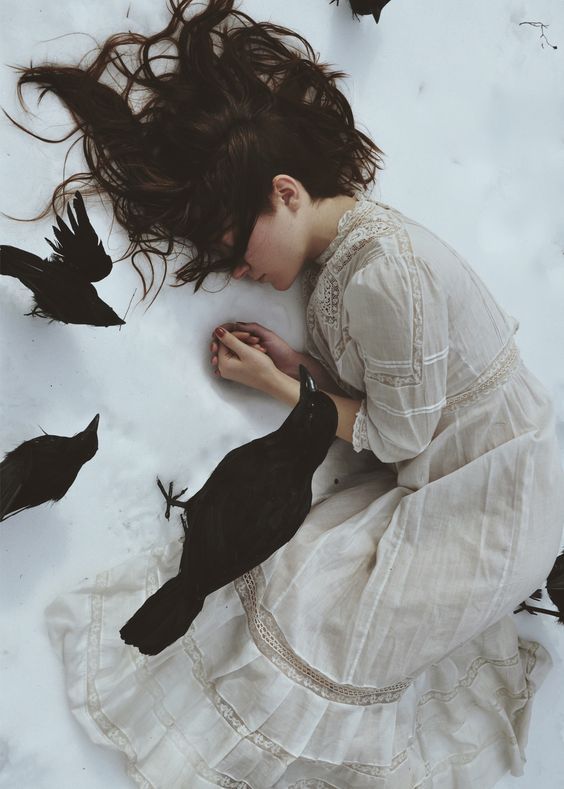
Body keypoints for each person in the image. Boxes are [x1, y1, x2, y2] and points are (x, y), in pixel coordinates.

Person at [16, 0, 564, 786]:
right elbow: (393, 383)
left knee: (322, 624)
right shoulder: (347, 262)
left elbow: (401, 434)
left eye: (240, 249)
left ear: (286, 191)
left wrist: (280, 386)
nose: (239, 270)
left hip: (492, 499)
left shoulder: (382, 269)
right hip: (447, 483)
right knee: (296, 585)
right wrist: (299, 362)